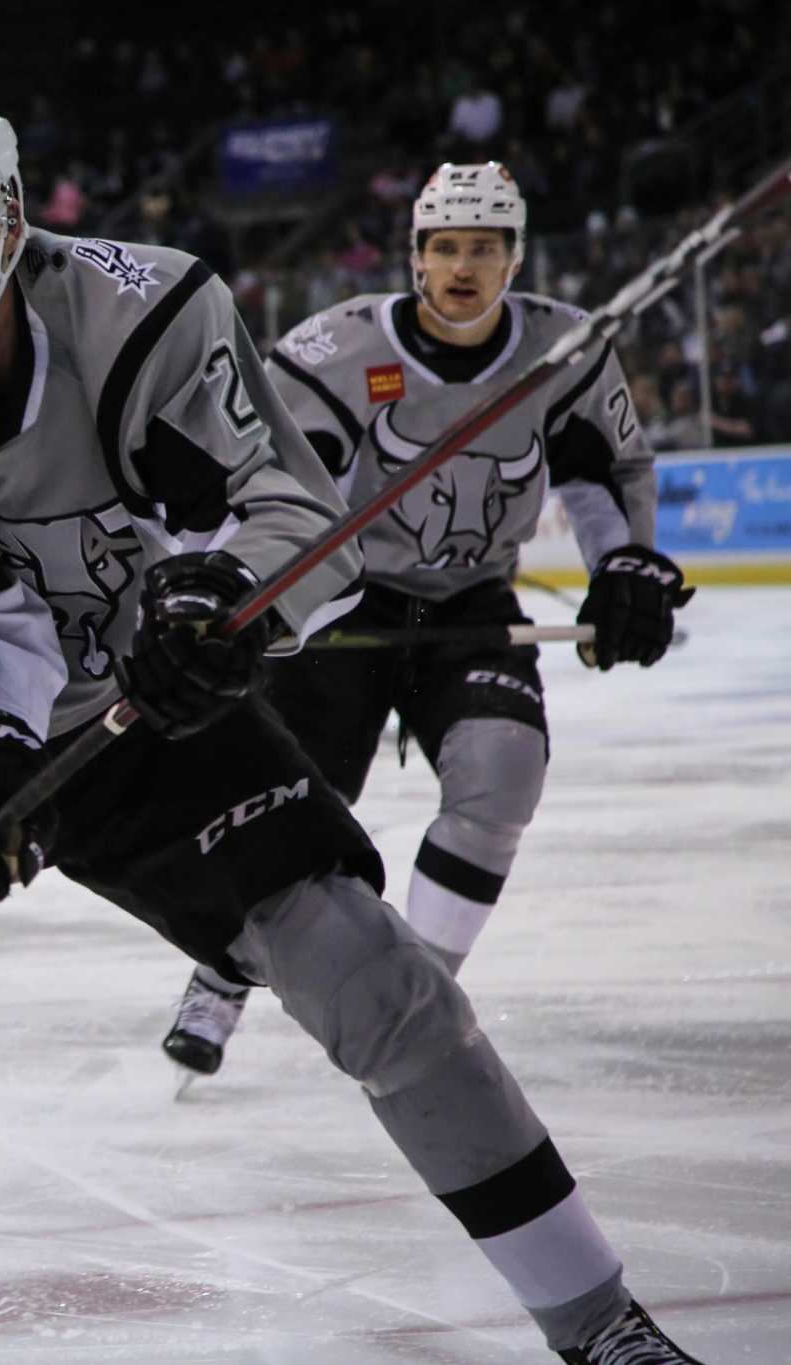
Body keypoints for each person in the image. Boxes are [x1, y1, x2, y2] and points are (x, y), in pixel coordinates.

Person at [0, 74, 701, 1364]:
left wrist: (217, 604)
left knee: (379, 985)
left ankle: (598, 1324)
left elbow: (301, 523)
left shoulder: (144, 308)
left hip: (142, 719)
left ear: (3, 211)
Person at [161, 161, 692, 1075]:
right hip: (344, 606)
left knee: (502, 774)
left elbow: (602, 471)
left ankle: (418, 994)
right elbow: (281, 481)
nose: (462, 266)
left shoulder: (564, 350)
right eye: (445, 245)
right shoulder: (336, 349)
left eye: (483, 248)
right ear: (415, 254)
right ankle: (220, 980)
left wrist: (627, 565)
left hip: (469, 604)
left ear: (514, 257)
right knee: (286, 808)